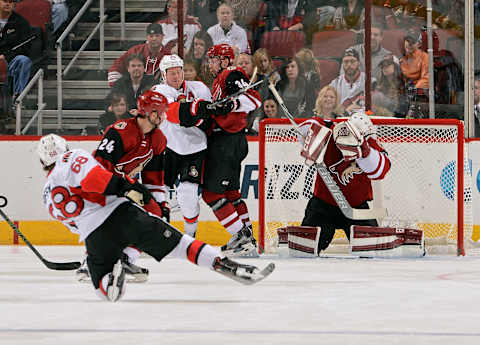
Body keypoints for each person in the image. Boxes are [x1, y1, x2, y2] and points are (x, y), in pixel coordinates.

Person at [38, 133, 274, 301]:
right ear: (65, 149)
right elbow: (95, 180)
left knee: (103, 291)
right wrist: (125, 187)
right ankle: (227, 266)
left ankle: (111, 276)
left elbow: (75, 227)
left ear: (42, 162)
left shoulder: (47, 195)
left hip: (93, 236)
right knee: (182, 245)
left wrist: (93, 252)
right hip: (121, 214)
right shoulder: (71, 158)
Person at [76, 90, 171, 283]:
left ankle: (126, 258)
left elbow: (154, 178)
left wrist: (161, 204)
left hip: (123, 184)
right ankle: (90, 263)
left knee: (155, 214)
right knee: (105, 218)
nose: (163, 116)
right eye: (159, 111)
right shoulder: (119, 131)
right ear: (149, 112)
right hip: (99, 184)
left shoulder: (158, 140)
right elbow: (101, 168)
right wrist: (123, 188)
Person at [298, 111, 391, 253]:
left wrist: (363, 151)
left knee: (371, 251)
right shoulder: (329, 133)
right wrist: (313, 132)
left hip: (356, 210)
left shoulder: (370, 144)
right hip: (322, 206)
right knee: (305, 249)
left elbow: (380, 171)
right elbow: (305, 128)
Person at [151, 54, 212, 238]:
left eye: (178, 72)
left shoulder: (199, 88)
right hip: (167, 149)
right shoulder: (159, 91)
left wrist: (208, 112)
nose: (176, 76)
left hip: (195, 149)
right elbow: (174, 114)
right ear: (163, 74)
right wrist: (197, 111)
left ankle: (190, 236)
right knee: (155, 194)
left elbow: (209, 118)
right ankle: (154, 235)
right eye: (171, 73)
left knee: (188, 193)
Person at [0, 0, 32, 105]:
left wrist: (5, 56)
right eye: (5, 0)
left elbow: (25, 47)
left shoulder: (21, 22)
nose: (8, 4)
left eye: (11, 1)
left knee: (24, 60)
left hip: (11, 60)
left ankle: (18, 98)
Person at [329, 48, 365, 112]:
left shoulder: (369, 80)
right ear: (342, 63)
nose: (349, 64)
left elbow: (373, 109)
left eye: (352, 61)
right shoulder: (335, 83)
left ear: (358, 63)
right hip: (341, 119)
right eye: (346, 61)